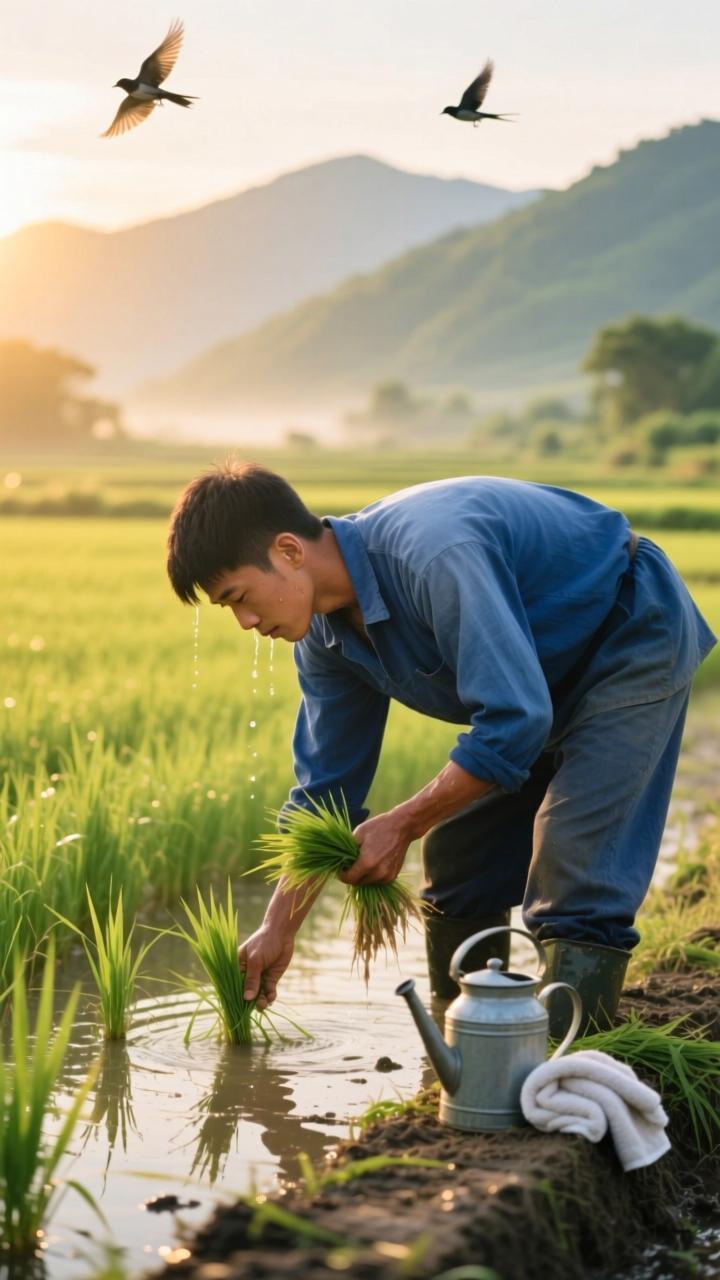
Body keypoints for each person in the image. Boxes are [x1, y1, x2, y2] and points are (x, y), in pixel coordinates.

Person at [166, 462, 716, 1034]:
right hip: (541, 673)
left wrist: (402, 823)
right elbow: (326, 793)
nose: (245, 621)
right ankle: (469, 1050)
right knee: (460, 857)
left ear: (289, 551)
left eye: (239, 597)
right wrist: (277, 927)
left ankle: (570, 1067)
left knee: (574, 864)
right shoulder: (326, 640)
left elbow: (515, 721)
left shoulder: (433, 557)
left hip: (627, 632)